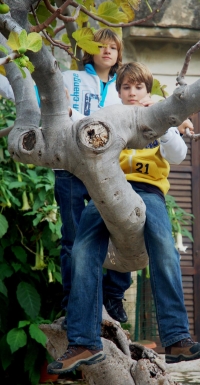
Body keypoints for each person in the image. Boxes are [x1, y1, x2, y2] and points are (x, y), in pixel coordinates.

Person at [47, 61, 200, 374]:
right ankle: (84, 342)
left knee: (164, 247)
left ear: (148, 90)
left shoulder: (162, 115)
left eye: (138, 87)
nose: (132, 92)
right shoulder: (110, 114)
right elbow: (84, 124)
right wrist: (66, 111)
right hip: (108, 189)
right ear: (119, 91)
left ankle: (176, 338)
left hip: (149, 192)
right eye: (126, 87)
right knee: (82, 251)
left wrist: (164, 125)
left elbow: (177, 155)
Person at [56, 28, 131, 324]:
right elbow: (34, 97)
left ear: (119, 52)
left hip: (110, 168)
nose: (107, 51)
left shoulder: (125, 86)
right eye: (101, 46)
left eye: (113, 47)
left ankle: (113, 294)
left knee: (122, 230)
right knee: (72, 239)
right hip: (71, 168)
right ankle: (72, 300)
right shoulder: (68, 78)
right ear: (89, 49)